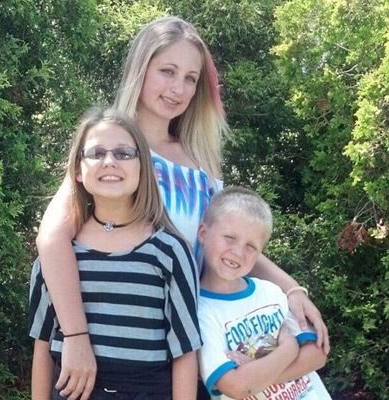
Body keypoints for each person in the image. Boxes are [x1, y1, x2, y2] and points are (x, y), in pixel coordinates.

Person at [35, 16, 329, 400]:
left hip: (200, 338)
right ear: (141, 69)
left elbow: (226, 245)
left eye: (191, 78)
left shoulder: (201, 161)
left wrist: (292, 289)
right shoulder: (113, 155)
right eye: (167, 71)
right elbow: (52, 240)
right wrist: (76, 336)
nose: (179, 88)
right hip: (129, 347)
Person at [29, 108, 202, 400]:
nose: (109, 161)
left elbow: (185, 351)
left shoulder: (170, 250)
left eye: (123, 153)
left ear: (143, 167)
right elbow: (43, 345)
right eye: (96, 153)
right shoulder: (57, 257)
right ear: (78, 171)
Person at [197, 186, 331, 400]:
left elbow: (317, 354)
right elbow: (236, 386)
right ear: (203, 233)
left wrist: (256, 371)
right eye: (230, 237)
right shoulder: (200, 312)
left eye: (251, 246)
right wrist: (288, 349)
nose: (238, 251)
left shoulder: (271, 292)